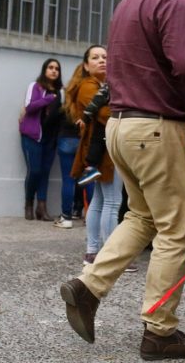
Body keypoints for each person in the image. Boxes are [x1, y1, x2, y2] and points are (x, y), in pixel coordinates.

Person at [58, 0, 185, 359]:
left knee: (142, 217)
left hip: (121, 128)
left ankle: (88, 286)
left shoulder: (128, 2)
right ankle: (159, 331)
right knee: (178, 230)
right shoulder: (179, 3)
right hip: (158, 127)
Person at [68, 45, 125, 265]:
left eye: (104, 57)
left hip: (102, 150)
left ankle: (93, 251)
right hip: (102, 152)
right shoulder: (87, 86)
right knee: (112, 201)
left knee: (100, 201)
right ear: (86, 65)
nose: (101, 60)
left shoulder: (103, 86)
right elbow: (105, 114)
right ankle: (110, 255)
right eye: (95, 57)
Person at [18, 58, 62, 221]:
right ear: (44, 70)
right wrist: (49, 99)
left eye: (57, 68)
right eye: (50, 67)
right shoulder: (35, 86)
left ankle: (41, 209)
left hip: (50, 138)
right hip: (32, 135)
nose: (54, 71)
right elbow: (30, 107)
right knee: (35, 170)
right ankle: (29, 204)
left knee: (45, 173)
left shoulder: (60, 92)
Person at [57, 65, 94, 224]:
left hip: (66, 139)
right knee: (88, 179)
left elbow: (56, 115)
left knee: (68, 180)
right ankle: (90, 217)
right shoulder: (91, 91)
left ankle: (66, 218)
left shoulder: (67, 92)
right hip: (85, 140)